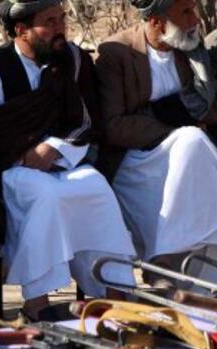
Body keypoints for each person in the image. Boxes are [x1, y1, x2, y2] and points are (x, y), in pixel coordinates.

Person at [0, 0, 135, 319]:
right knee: (47, 195)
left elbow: (87, 119)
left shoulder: (72, 59)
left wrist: (54, 148)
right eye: (50, 22)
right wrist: (26, 153)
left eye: (62, 18)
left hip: (64, 158)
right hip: (11, 168)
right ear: (22, 30)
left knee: (96, 188)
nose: (60, 28)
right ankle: (37, 302)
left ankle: (114, 295)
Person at [97, 0, 217, 289]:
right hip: (135, 161)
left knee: (196, 150)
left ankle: (195, 292)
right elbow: (114, 127)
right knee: (192, 140)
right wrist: (174, 128)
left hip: (186, 158)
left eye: (194, 10)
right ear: (156, 21)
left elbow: (208, 108)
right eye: (185, 13)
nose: (194, 20)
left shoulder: (190, 48)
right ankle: (163, 259)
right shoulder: (116, 52)